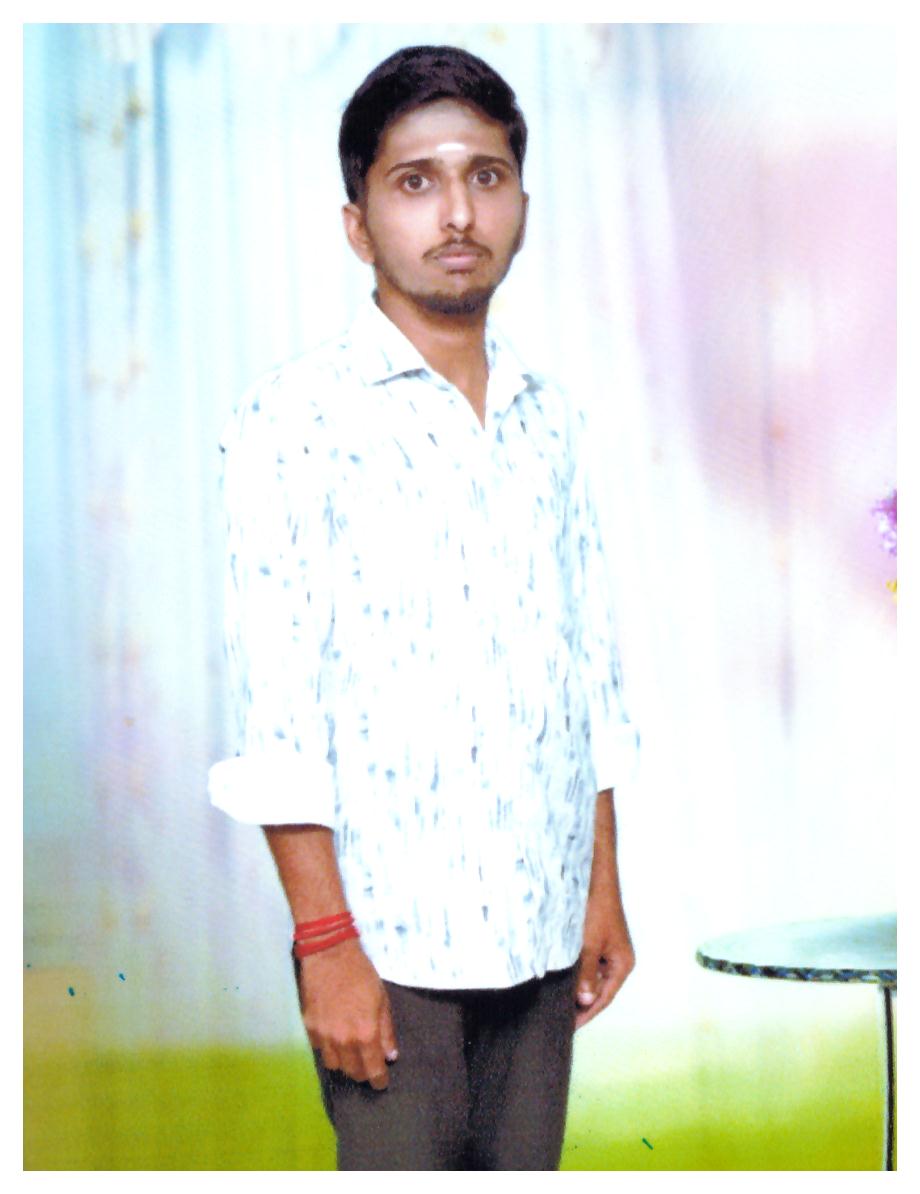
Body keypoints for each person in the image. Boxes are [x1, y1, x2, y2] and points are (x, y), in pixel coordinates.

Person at [208, 43, 638, 1171]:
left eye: (485, 177)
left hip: (544, 927)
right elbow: (282, 711)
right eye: (415, 182)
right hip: (387, 947)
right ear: (358, 225)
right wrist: (325, 944)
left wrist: (599, 888)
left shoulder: (550, 418)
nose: (457, 213)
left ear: (521, 203)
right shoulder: (292, 420)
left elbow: (584, 670)